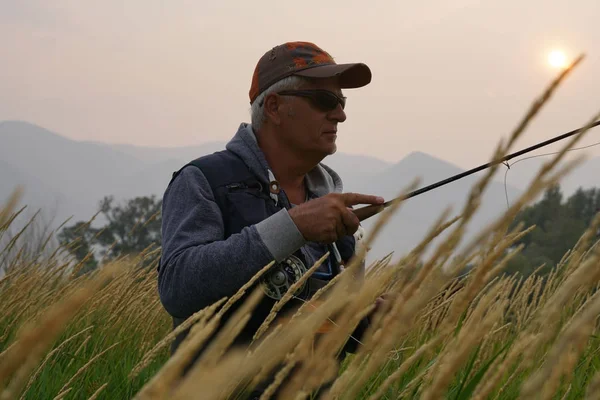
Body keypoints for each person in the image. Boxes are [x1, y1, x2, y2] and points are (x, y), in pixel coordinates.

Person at [157, 41, 384, 396]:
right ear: (275, 107)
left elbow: (325, 328)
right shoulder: (204, 181)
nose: (340, 115)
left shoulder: (331, 207)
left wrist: (365, 322)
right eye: (325, 101)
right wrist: (293, 226)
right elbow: (177, 288)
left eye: (342, 103)